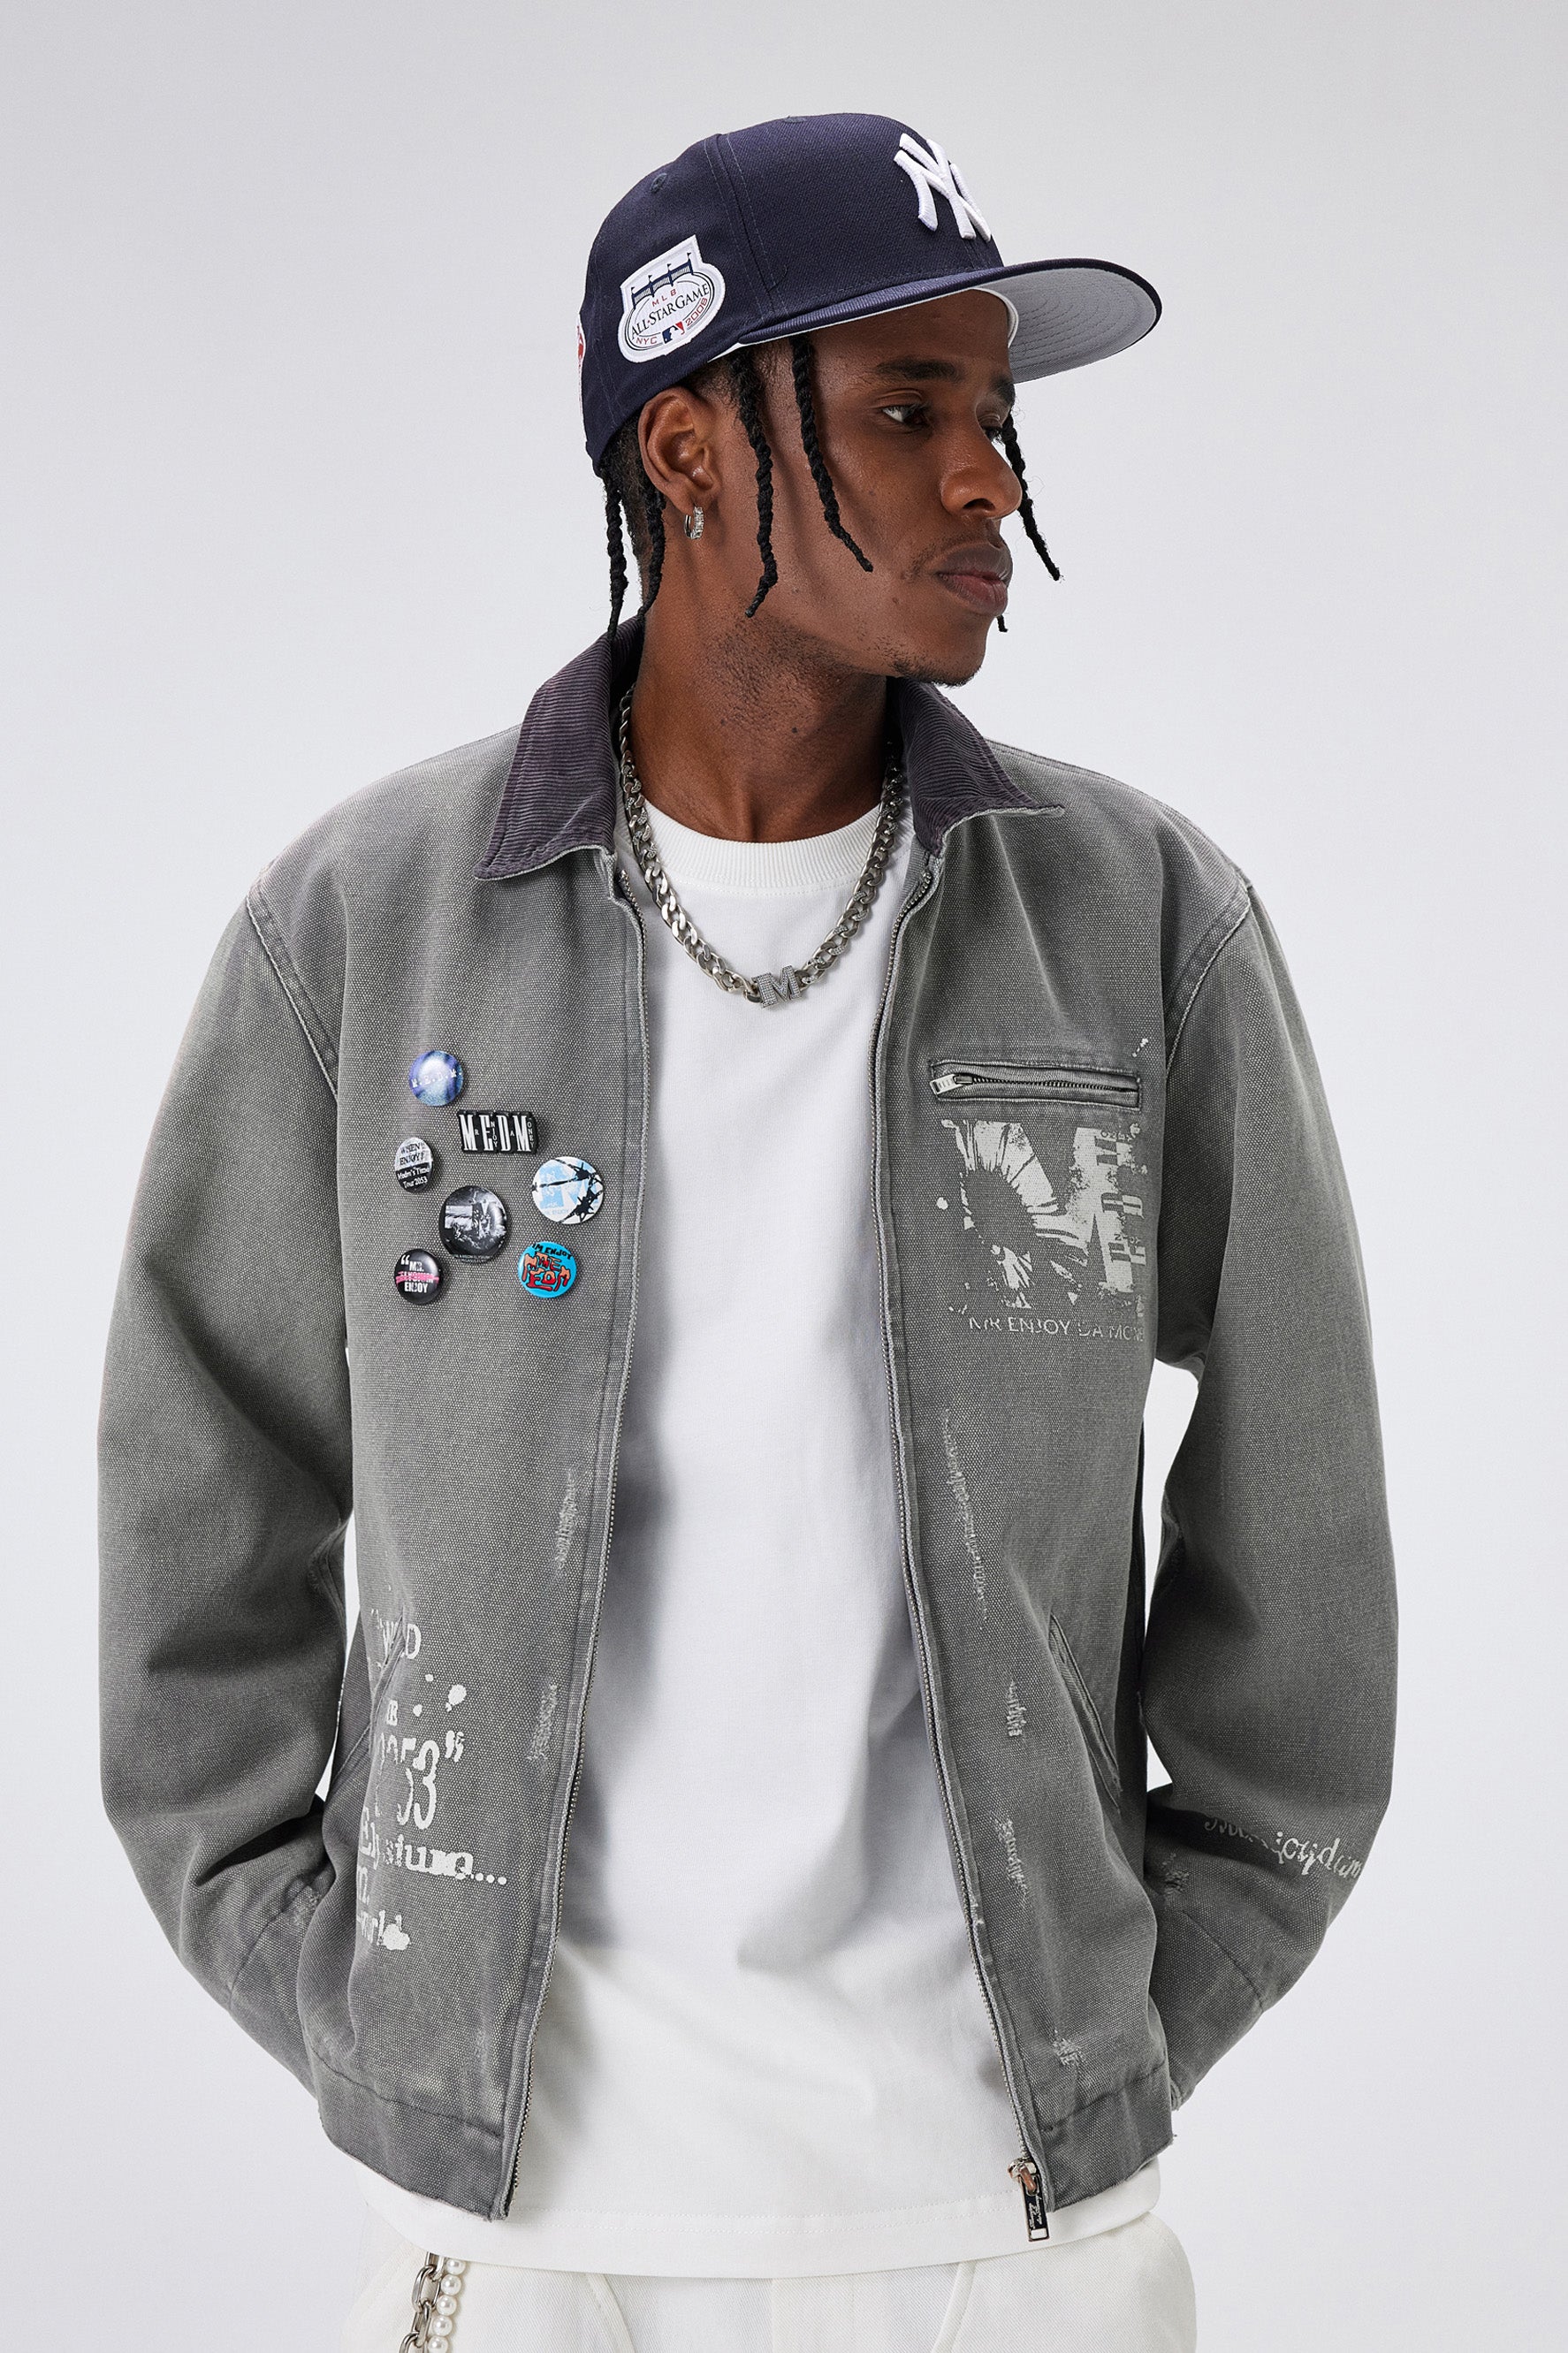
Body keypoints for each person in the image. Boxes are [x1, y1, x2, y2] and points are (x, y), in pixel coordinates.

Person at [98, 111, 1397, 2353]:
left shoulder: (1139, 923)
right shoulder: (367, 929)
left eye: (997, 416)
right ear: (685, 446)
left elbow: (1303, 1498)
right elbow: (196, 1505)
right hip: (530, 2237)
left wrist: (1151, 1990)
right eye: (907, 410)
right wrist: (354, 1990)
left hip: (1019, 2230)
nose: (985, 477)